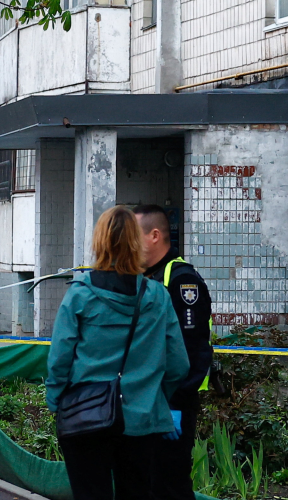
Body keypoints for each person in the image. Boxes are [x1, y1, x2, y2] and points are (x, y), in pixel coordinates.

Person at [48, 205, 189, 500]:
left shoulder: (81, 294)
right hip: (140, 420)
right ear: (137, 243)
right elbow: (178, 364)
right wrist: (153, 395)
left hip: (84, 415)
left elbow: (60, 358)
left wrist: (56, 402)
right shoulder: (157, 296)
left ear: (99, 242)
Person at [134, 203, 214, 500]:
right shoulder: (146, 278)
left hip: (172, 403)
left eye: (133, 236)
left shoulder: (181, 280)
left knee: (171, 484)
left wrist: (175, 404)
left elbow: (191, 349)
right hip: (146, 402)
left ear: (154, 236)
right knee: (149, 483)